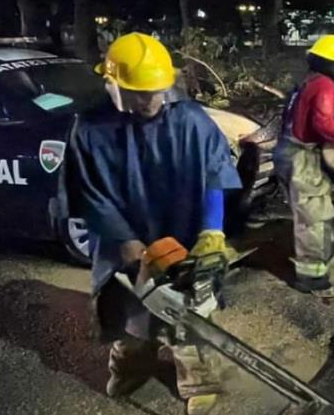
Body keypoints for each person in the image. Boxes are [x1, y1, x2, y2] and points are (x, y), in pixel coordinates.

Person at [67, 32, 242, 415]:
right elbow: (90, 192)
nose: (153, 101)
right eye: (142, 93)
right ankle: (129, 366)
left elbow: (215, 171)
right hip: (122, 236)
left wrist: (212, 230)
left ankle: (199, 380)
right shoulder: (90, 129)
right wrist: (126, 241)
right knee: (130, 316)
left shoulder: (191, 120)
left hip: (183, 233)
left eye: (158, 91)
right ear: (113, 86)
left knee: (190, 317)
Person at [274, 35, 334, 298]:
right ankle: (312, 278)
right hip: (300, 156)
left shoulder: (306, 81)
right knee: (312, 217)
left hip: (286, 149)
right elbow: (322, 124)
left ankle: (319, 259)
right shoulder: (325, 85)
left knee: (309, 213)